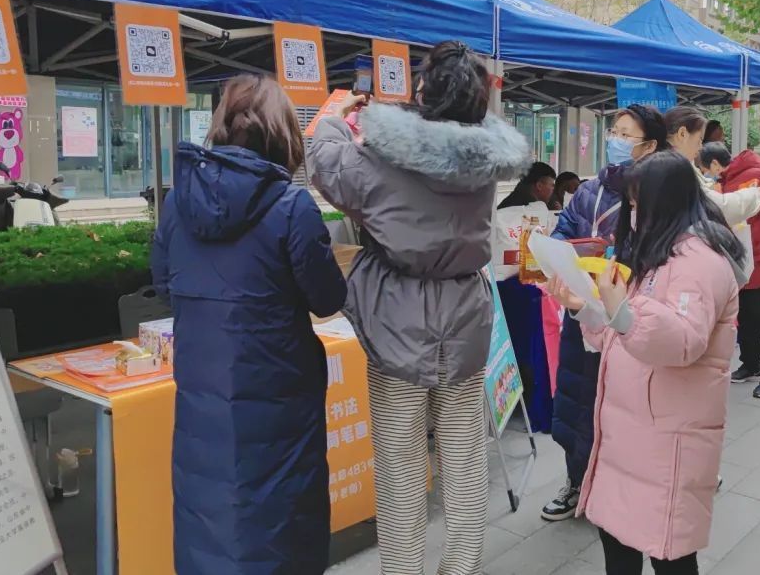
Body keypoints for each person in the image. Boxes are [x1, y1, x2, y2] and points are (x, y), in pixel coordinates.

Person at [309, 40, 530, 573]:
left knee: (401, 463)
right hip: (465, 314)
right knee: (463, 456)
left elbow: (325, 166)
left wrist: (337, 118)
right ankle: (461, 567)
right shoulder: (488, 164)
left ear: (422, 91)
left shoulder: (382, 159)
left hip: (395, 321)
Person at [151, 74, 347, 575]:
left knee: (209, 527)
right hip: (278, 403)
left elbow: (164, 282)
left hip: (201, 399)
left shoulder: (176, 203)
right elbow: (327, 299)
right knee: (279, 532)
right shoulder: (291, 207)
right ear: (284, 134)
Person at [548, 150, 746, 575]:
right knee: (617, 537)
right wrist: (584, 306)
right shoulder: (660, 252)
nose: (632, 214)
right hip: (631, 430)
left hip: (666, 435)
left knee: (667, 550)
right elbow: (620, 335)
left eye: (637, 205)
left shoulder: (700, 262)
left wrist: (621, 310)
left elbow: (682, 342)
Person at [542, 104, 665, 522]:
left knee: (619, 411)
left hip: (625, 321)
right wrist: (566, 256)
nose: (615, 139)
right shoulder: (590, 190)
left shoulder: (656, 196)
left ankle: (617, 490)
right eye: (613, 130)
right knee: (575, 402)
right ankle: (577, 483)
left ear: (649, 146)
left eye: (625, 134)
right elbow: (563, 232)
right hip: (581, 314)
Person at [700, 143, 760, 399]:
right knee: (742, 318)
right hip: (738, 262)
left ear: (713, 165)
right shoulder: (723, 182)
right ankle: (752, 363)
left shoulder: (756, 176)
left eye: (704, 169)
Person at [665, 106, 760, 227]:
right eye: (699, 139)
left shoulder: (668, 162)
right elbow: (716, 208)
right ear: (682, 134)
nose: (701, 147)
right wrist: (754, 194)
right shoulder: (674, 168)